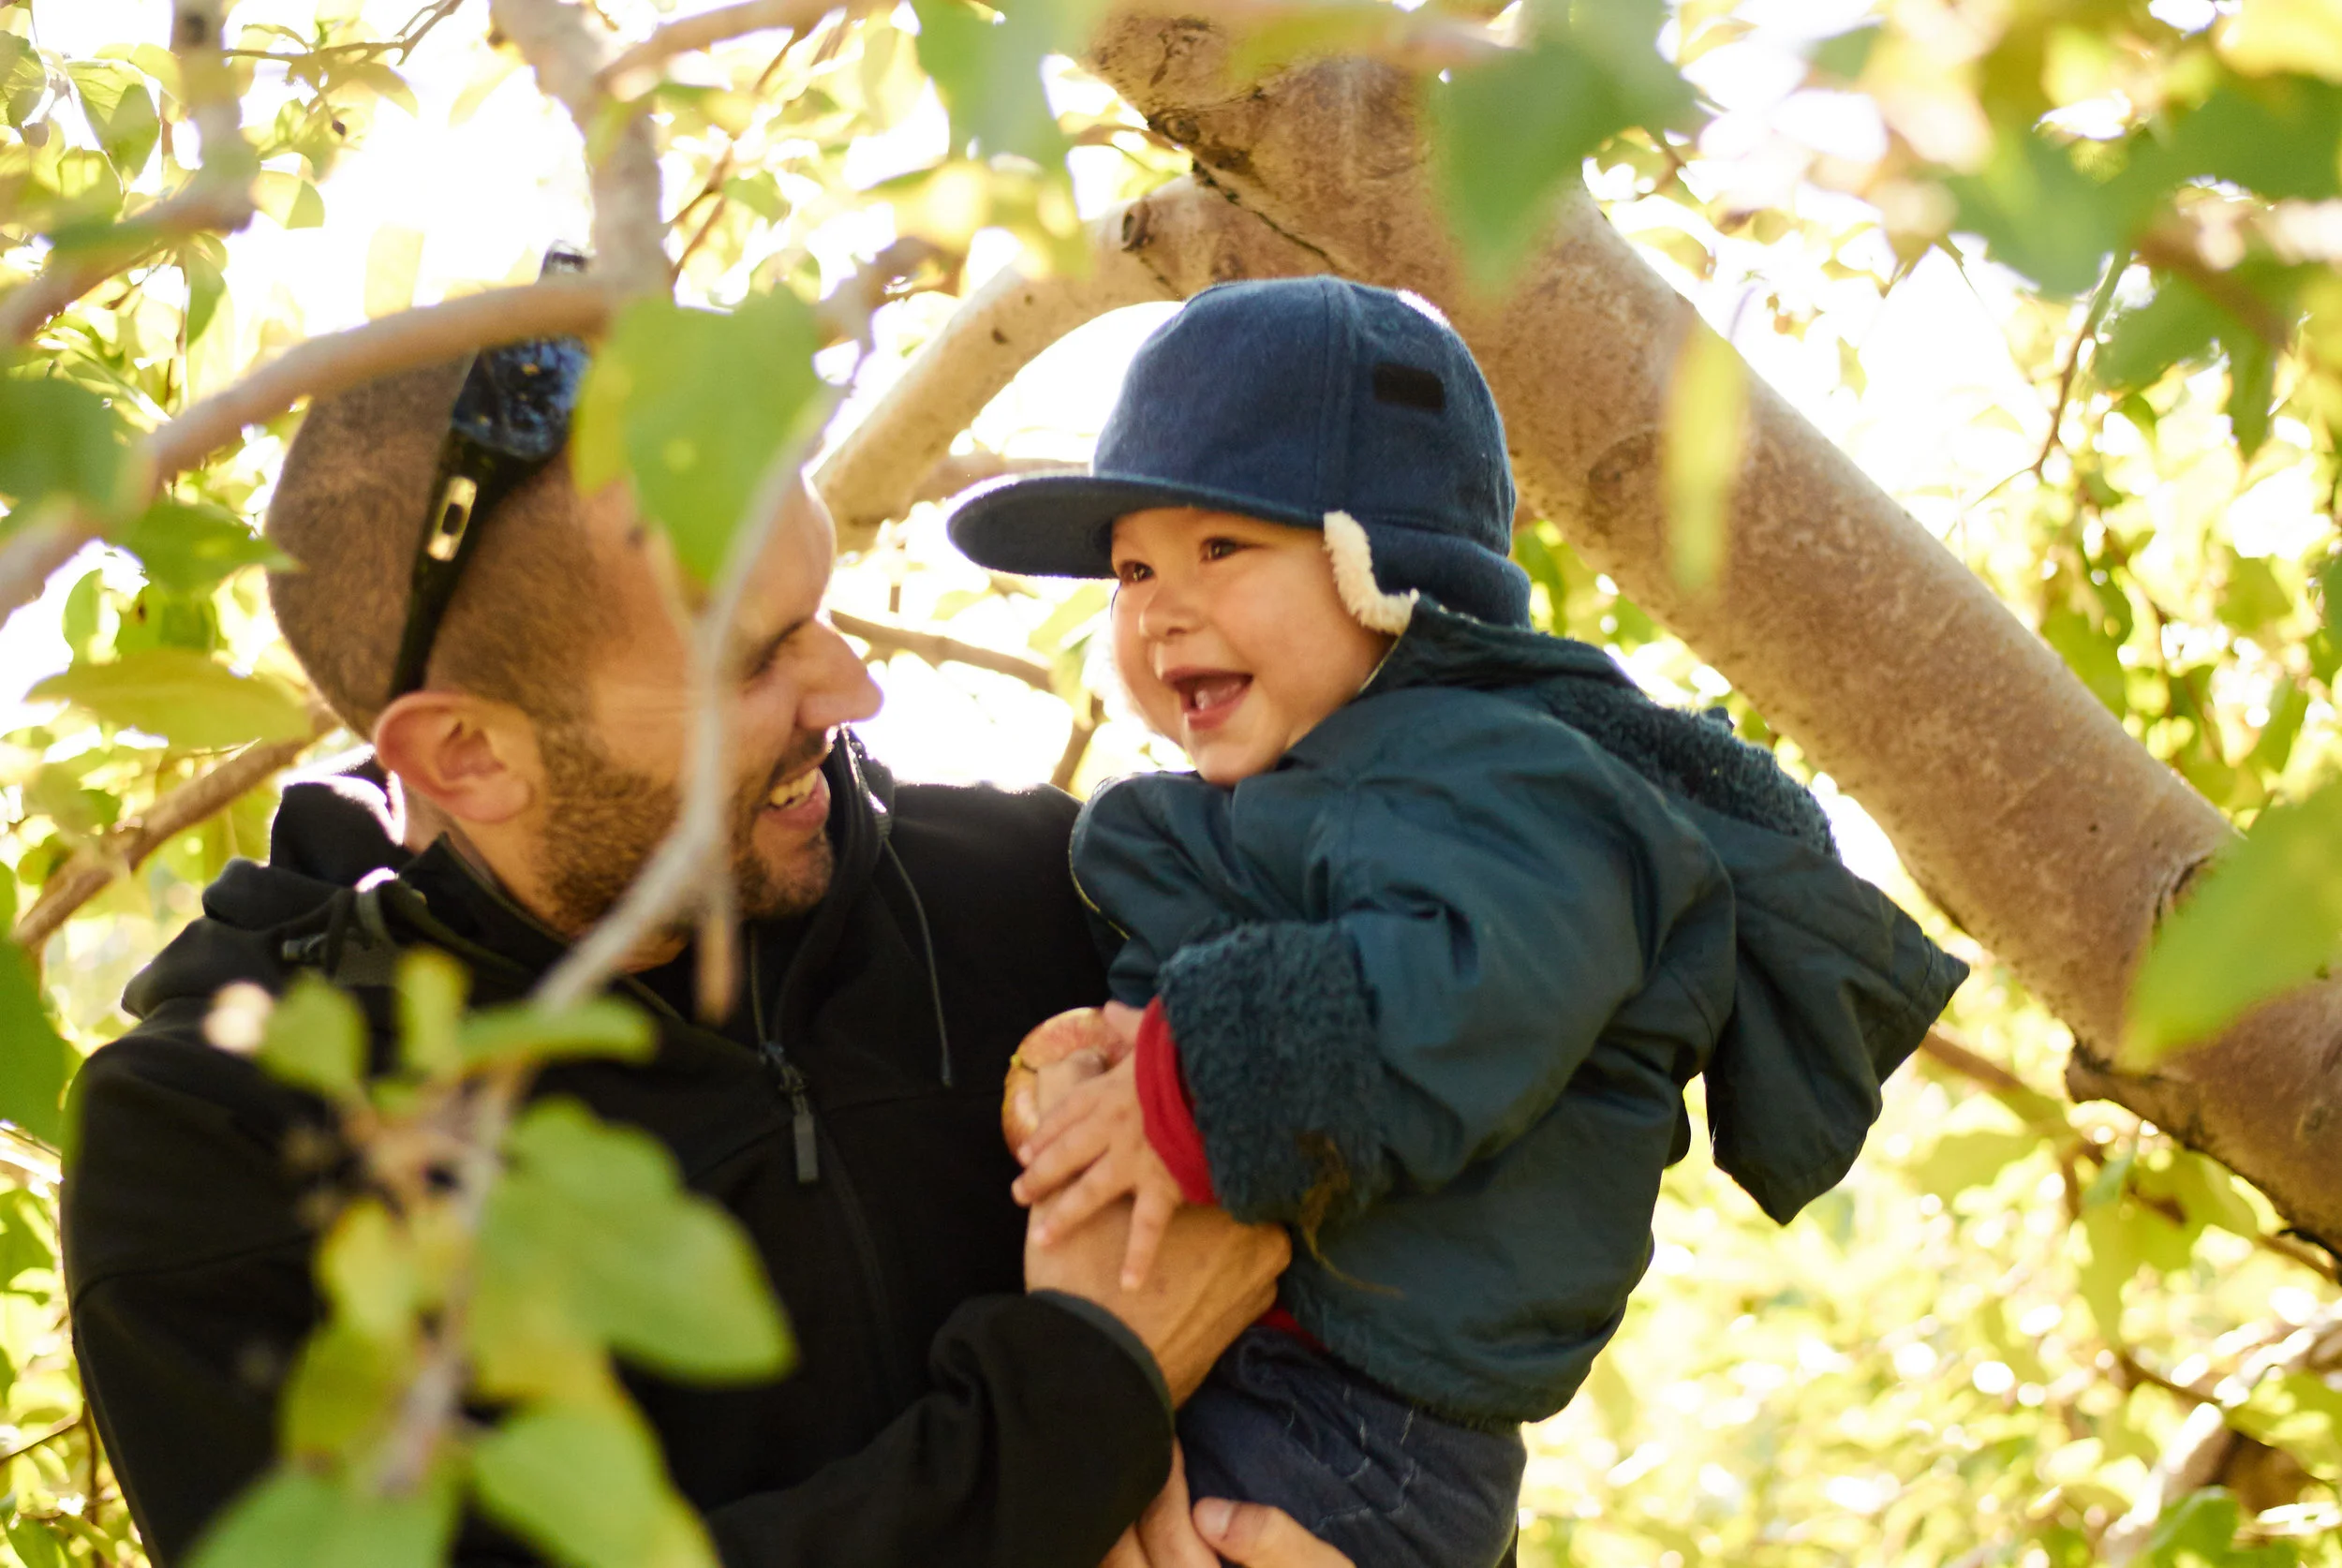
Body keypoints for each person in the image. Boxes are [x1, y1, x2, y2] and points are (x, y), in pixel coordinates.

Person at [58, 335, 1346, 1568]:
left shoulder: (1049, 890)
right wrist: (1085, 1383)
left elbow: (1454, 1261)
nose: (852, 689)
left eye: (821, 610)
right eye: (752, 657)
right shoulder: (211, 1152)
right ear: (469, 755)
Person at [948, 277, 1969, 1568]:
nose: (1159, 608)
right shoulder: (1308, 793)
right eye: (1133, 570)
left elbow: (1484, 977)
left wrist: (1188, 1079)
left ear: (1382, 565)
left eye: (1220, 549)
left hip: (1365, 1429)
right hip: (1275, 1364)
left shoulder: (1505, 773)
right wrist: (1110, 1053)